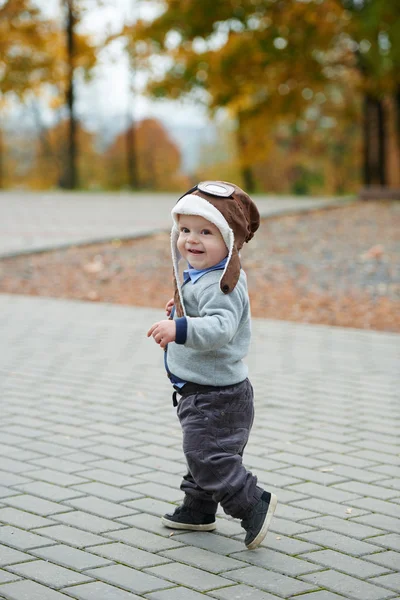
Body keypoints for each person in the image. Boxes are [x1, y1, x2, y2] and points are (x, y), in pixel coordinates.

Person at [147, 180, 277, 550]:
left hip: (217, 396)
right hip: (206, 391)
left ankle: (253, 504)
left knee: (207, 454)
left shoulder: (224, 284)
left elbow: (220, 327)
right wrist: (181, 310)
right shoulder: (200, 276)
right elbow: (202, 311)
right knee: (205, 453)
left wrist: (180, 328)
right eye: (185, 230)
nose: (192, 239)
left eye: (206, 231)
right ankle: (199, 508)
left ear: (230, 241)